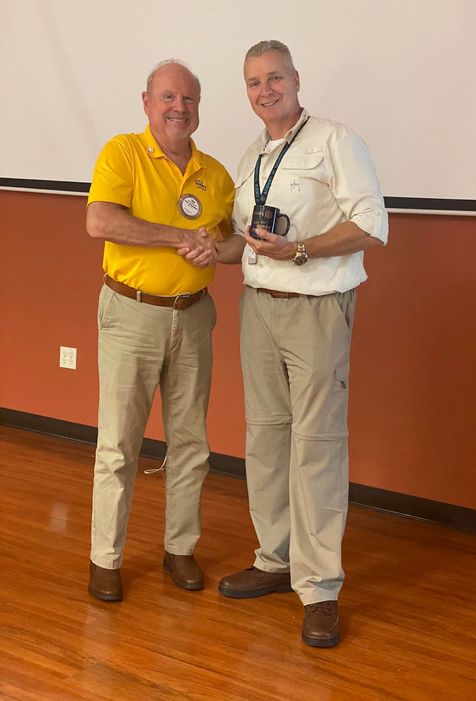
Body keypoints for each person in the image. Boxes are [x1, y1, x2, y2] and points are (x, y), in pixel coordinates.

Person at [216, 40, 388, 647]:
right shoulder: (251, 155)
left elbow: (372, 223)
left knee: (316, 445)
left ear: (295, 79)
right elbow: (246, 239)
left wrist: (301, 250)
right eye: (253, 82)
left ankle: (319, 588)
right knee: (265, 437)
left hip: (317, 308)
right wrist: (208, 247)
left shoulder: (336, 140)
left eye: (274, 78)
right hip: (258, 307)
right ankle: (275, 558)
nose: (265, 90)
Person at [86, 59, 234, 602]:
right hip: (131, 313)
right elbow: (101, 221)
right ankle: (105, 559)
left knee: (191, 442)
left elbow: (231, 243)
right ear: (146, 102)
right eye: (168, 97)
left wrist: (215, 248)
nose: (179, 108)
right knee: (118, 445)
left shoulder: (216, 174)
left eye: (189, 99)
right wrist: (179, 237)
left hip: (193, 315)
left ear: (199, 108)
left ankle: (180, 548)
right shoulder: (123, 151)